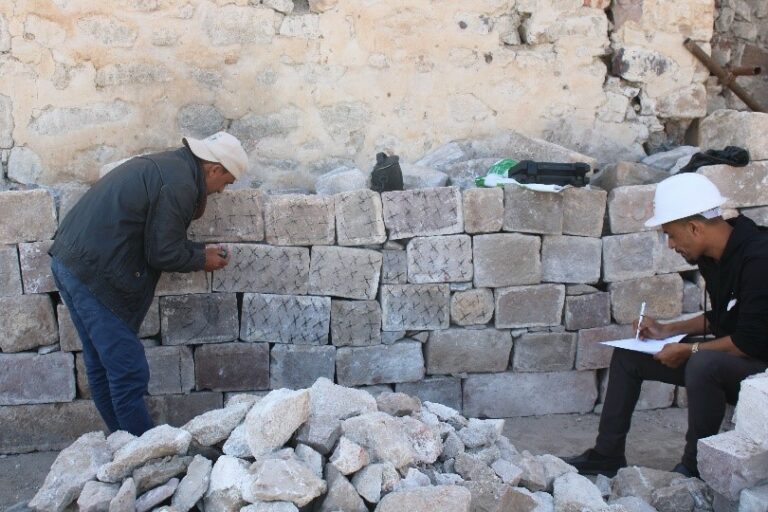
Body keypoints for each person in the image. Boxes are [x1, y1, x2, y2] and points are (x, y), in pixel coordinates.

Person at [565, 173, 768, 478]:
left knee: (703, 362)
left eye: (671, 235)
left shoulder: (760, 257)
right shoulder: (712, 255)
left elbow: (749, 341)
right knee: (630, 356)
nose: (671, 245)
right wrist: (665, 330)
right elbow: (727, 317)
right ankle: (606, 455)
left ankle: (694, 466)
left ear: (695, 227)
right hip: (741, 357)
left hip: (761, 371)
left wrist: (688, 349)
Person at [49, 131, 247, 436]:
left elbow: (158, 240)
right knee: (127, 370)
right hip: (93, 269)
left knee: (104, 365)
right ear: (214, 169)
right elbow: (163, 252)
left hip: (71, 259)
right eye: (226, 182)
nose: (221, 191)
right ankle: (145, 455)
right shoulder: (181, 183)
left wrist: (197, 252)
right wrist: (200, 259)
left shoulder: (174, 168)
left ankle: (123, 445)